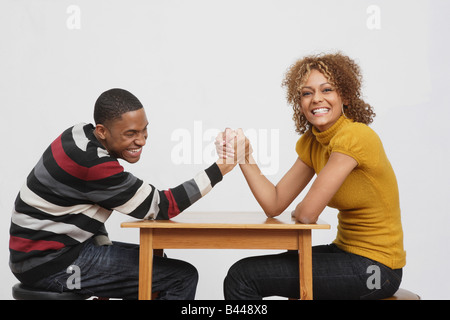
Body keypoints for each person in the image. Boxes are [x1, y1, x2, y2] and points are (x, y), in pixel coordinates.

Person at [9, 88, 237, 299]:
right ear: (102, 131)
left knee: (157, 264)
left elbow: (85, 206)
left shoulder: (78, 134)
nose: (141, 140)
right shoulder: (92, 163)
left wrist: (105, 251)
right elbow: (162, 206)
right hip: (51, 268)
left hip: (41, 257)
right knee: (180, 276)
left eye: (144, 129)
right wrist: (221, 168)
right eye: (130, 133)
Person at [218, 53, 406, 300]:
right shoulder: (313, 142)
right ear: (299, 102)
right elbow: (274, 203)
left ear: (345, 97)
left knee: (243, 276)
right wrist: (244, 157)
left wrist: (301, 210)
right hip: (345, 252)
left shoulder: (355, 137)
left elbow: (307, 214)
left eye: (327, 90)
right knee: (259, 268)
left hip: (378, 270)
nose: (316, 98)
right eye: (307, 93)